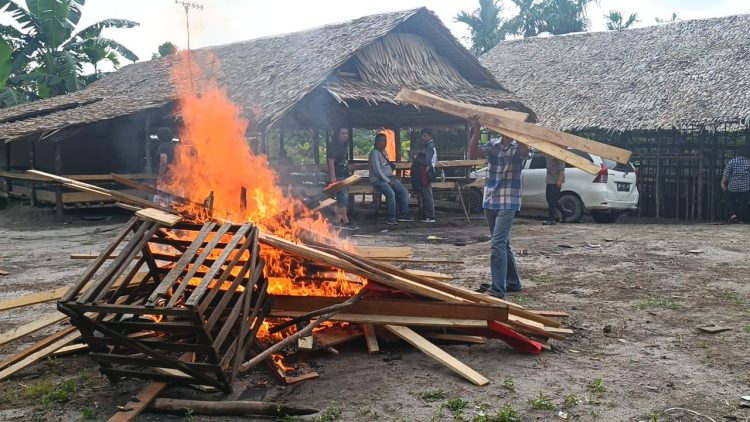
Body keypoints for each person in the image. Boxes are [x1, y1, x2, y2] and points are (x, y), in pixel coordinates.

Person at [467, 117, 528, 299]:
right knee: (503, 243)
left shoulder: (518, 146)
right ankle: (513, 283)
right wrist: (476, 130)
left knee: (497, 244)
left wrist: (519, 130)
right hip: (491, 199)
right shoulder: (493, 144)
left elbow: (525, 151)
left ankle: (497, 289)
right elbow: (472, 154)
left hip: (509, 199)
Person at [369, 133, 414, 225]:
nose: (384, 143)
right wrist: (388, 181)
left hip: (389, 177)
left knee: (404, 191)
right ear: (376, 142)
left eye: (385, 140)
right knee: (391, 193)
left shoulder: (384, 152)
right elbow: (377, 171)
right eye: (381, 140)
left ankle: (403, 214)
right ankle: (391, 217)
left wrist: (390, 177)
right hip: (377, 180)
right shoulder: (374, 153)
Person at [327, 127, 356, 229]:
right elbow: (330, 162)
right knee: (342, 198)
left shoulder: (344, 146)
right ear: (338, 135)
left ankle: (343, 220)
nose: (345, 135)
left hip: (345, 175)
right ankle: (339, 221)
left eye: (346, 133)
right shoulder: (334, 146)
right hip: (338, 176)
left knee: (344, 199)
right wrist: (333, 178)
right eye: (342, 133)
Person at [720, 146, 750, 223]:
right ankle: (741, 219)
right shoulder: (749, 162)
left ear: (737, 154)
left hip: (733, 187)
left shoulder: (732, 162)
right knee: (743, 202)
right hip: (745, 187)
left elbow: (726, 173)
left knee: (728, 199)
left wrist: (722, 183)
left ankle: (733, 214)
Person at [414, 127, 437, 223]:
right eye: (422, 136)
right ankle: (427, 215)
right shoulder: (428, 145)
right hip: (427, 172)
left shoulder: (429, 146)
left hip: (427, 172)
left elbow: (427, 161)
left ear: (430, 136)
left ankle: (430, 216)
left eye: (424, 136)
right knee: (426, 193)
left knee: (427, 194)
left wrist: (416, 158)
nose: (423, 137)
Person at [543, 154, 566, 225]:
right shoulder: (548, 152)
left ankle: (551, 219)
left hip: (556, 179)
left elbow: (562, 167)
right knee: (549, 199)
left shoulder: (557, 152)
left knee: (552, 199)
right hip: (550, 178)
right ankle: (564, 212)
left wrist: (560, 180)